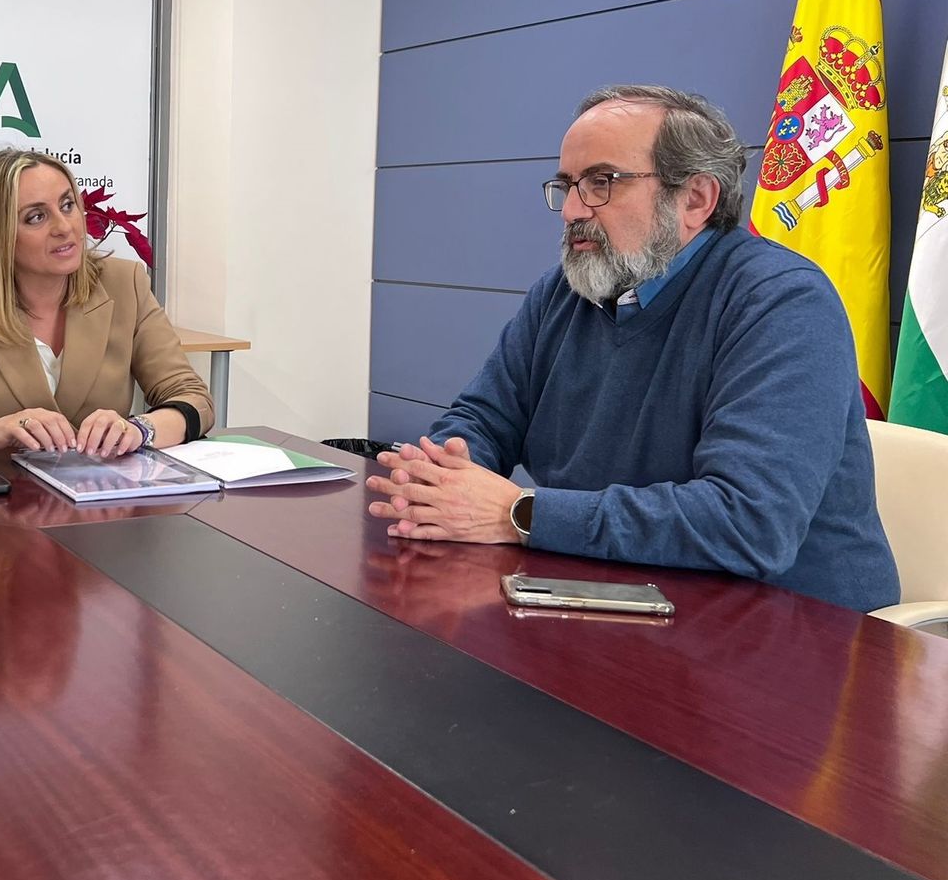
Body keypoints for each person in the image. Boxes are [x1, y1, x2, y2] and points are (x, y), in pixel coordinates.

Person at [367, 85, 899, 612]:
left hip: (792, 629)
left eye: (601, 182)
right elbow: (483, 419)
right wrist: (440, 479)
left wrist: (521, 513)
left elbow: (749, 523)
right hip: (609, 597)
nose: (571, 209)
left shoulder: (781, 301)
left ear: (695, 199)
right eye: (566, 185)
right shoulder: (563, 293)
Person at [0, 148, 214, 458]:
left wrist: (140, 429)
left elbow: (193, 399)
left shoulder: (125, 284)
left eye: (67, 205)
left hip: (105, 499)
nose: (65, 227)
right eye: (36, 217)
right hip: (0, 500)